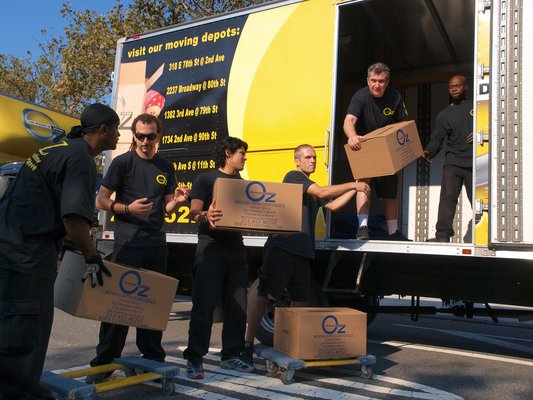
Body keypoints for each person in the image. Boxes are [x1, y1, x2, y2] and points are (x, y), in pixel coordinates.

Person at [0, 103, 119, 399]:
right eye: (116, 129)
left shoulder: (56, 148)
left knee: (11, 328)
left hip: (11, 250)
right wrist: (92, 256)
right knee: (25, 333)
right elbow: (74, 220)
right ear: (103, 130)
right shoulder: (80, 160)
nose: (118, 136)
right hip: (27, 256)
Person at [243, 144, 370, 365]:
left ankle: (289, 345)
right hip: (282, 248)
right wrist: (353, 183)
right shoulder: (294, 177)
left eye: (314, 157)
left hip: (302, 252)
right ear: (297, 161)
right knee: (264, 295)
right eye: (308, 157)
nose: (313, 160)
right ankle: (246, 344)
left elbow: (333, 206)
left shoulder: (310, 189)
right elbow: (321, 192)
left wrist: (356, 189)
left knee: (299, 299)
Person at [87, 113, 189, 380]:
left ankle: (152, 357)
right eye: (140, 135)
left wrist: (176, 201)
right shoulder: (122, 163)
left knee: (153, 304)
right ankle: (104, 362)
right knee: (118, 305)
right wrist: (126, 208)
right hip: (127, 243)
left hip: (156, 244)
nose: (145, 141)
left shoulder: (165, 167)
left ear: (158, 136)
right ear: (134, 136)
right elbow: (101, 200)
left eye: (150, 136)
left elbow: (165, 208)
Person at [183, 136, 254, 379]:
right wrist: (205, 214)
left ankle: (232, 355)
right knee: (204, 303)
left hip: (236, 245)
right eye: (242, 153)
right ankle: (194, 358)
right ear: (228, 153)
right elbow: (193, 212)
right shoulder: (206, 178)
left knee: (238, 304)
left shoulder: (243, 184)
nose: (244, 157)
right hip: (210, 246)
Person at [343, 62, 410, 241]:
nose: (377, 85)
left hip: (387, 149)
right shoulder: (361, 96)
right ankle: (362, 228)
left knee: (390, 192)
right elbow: (349, 120)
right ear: (368, 80)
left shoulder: (395, 96)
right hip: (365, 146)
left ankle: (393, 232)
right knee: (363, 186)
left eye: (381, 81)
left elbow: (404, 125)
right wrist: (352, 136)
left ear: (387, 82)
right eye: (373, 81)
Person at [424, 75, 473, 242]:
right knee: (447, 200)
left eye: (458, 86)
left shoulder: (477, 106)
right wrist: (429, 152)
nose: (454, 89)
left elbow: (492, 124)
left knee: (480, 200)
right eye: (451, 86)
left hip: (475, 163)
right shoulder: (444, 115)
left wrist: (482, 130)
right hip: (453, 162)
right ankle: (442, 236)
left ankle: (486, 233)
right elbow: (437, 138)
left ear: (466, 87)